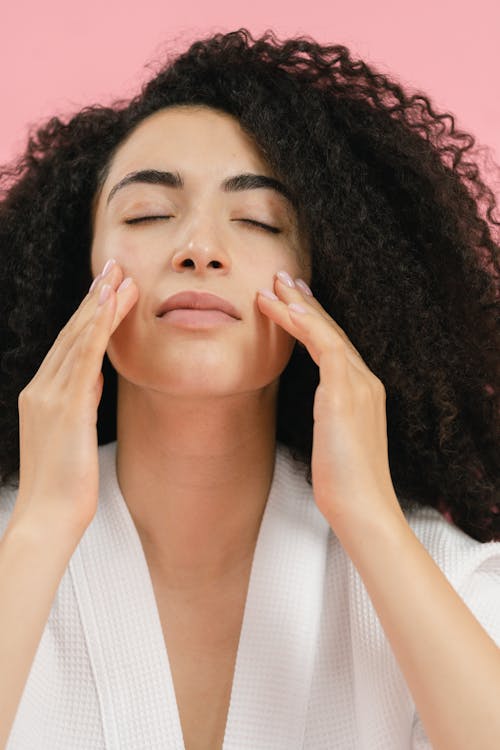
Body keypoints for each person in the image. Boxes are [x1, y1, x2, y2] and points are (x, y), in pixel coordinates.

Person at [0, 27, 499, 750]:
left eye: (258, 220)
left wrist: (371, 521)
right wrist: (42, 523)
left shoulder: (438, 573)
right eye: (147, 214)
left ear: (331, 281)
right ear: (74, 271)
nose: (199, 248)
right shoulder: (17, 538)